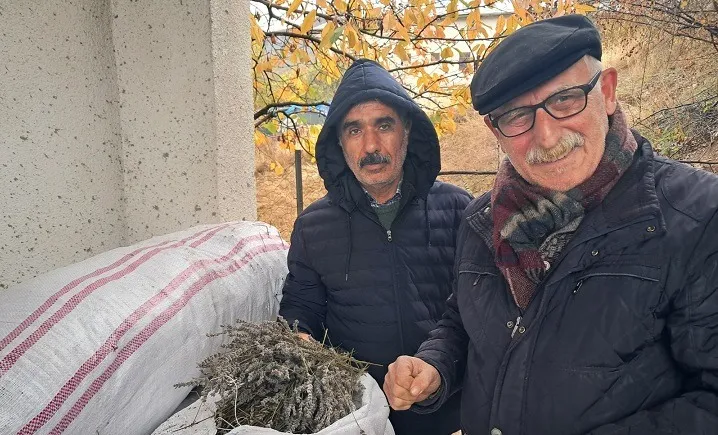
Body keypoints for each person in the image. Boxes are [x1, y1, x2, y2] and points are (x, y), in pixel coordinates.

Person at [383, 14, 718, 434]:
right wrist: (434, 366)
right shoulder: (481, 222)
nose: (546, 135)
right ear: (496, 130)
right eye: (518, 116)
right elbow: (463, 322)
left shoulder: (698, 217)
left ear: (608, 91)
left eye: (565, 100)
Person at [278, 58, 471, 434]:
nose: (371, 146)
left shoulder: (459, 210)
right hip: (359, 417)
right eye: (354, 130)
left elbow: (477, 313)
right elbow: (301, 308)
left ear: (408, 130)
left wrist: (439, 370)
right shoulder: (312, 227)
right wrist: (298, 337)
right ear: (338, 141)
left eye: (384, 125)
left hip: (451, 414)